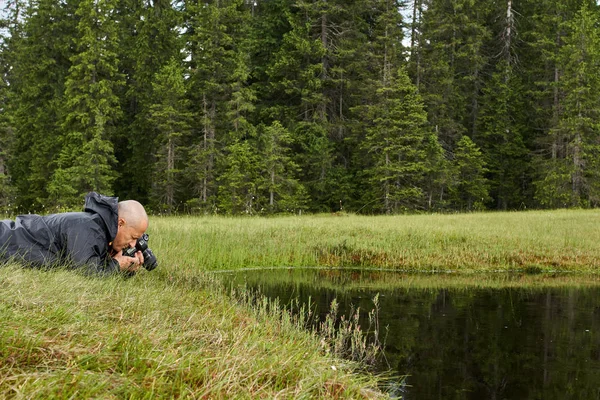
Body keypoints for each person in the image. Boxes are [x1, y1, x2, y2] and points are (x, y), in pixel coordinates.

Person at [0, 192, 148, 275]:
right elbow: (86, 273)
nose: (132, 244)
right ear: (120, 223)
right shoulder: (89, 228)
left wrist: (127, 267)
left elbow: (99, 265)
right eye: (133, 237)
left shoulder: (103, 231)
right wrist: (116, 265)